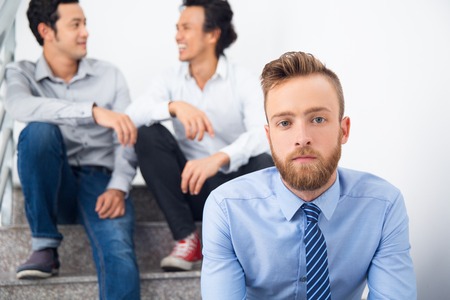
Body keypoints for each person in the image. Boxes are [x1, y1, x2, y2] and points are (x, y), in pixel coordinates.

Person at [201, 51, 417, 299]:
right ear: (269, 136)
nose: (302, 137)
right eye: (284, 123)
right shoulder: (226, 208)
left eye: (317, 119)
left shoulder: (384, 206)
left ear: (343, 130)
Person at [4, 0, 140, 298]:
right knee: (38, 131)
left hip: (102, 183)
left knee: (119, 252)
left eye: (84, 23)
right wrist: (91, 111)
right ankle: (44, 245)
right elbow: (18, 106)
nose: (85, 32)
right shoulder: (21, 72)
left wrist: (118, 186)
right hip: (54, 184)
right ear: (46, 31)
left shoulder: (109, 74)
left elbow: (126, 137)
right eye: (75, 24)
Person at [126, 0, 273, 272]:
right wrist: (173, 107)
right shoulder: (170, 78)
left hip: (231, 189)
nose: (177, 36)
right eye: (177, 28)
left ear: (212, 34)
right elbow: (131, 115)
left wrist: (219, 158)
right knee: (146, 133)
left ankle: (251, 246)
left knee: (265, 161)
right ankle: (186, 238)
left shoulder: (243, 80)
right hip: (191, 188)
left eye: (186, 28)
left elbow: (265, 134)